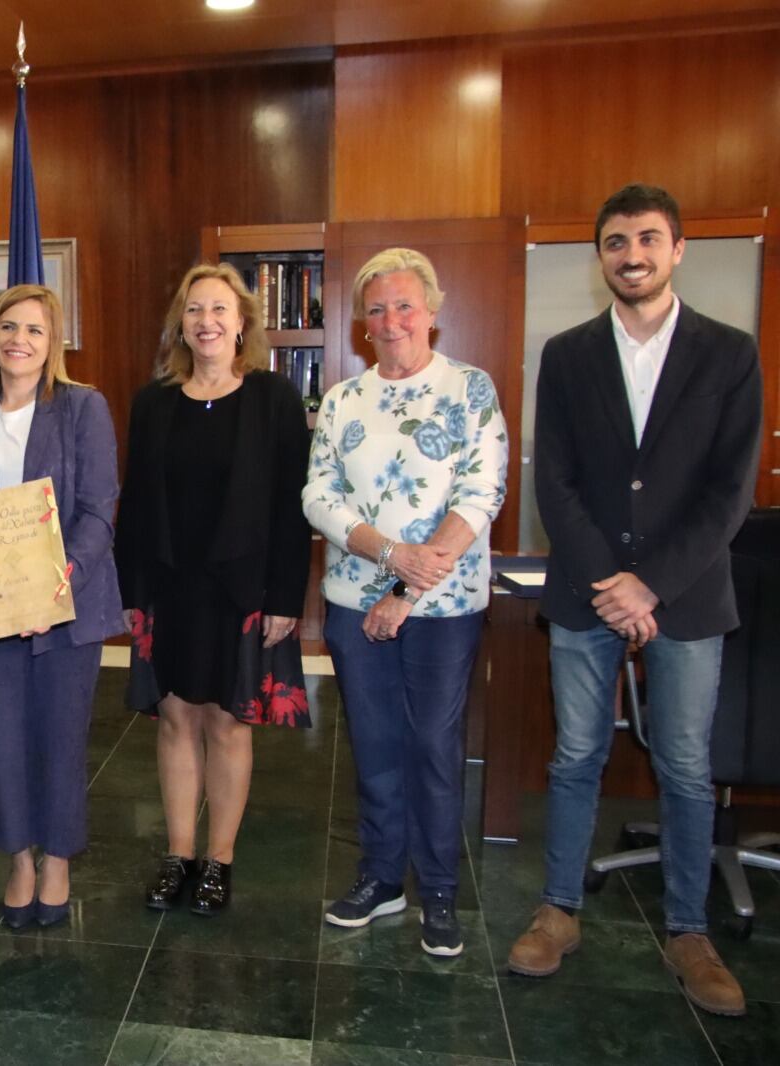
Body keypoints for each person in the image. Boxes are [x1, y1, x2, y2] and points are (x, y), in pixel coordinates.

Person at [509, 184, 762, 1016]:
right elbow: (557, 480)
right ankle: (559, 912)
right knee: (575, 756)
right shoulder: (570, 352)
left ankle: (690, 931)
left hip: (686, 596)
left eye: (648, 240)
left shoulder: (729, 353)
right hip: (586, 593)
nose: (632, 256)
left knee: (687, 767)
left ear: (677, 248)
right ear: (601, 258)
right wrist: (609, 584)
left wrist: (651, 584)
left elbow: (729, 491)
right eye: (616, 243)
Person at [302, 247, 508, 957]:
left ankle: (440, 890)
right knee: (376, 744)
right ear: (362, 323)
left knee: (432, 744)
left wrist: (405, 588)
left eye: (404, 305)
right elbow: (318, 497)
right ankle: (382, 877)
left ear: (433, 310)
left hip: (443, 606)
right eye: (377, 309)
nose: (391, 320)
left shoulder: (470, 390)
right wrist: (390, 561)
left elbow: (480, 493)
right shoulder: (341, 401)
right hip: (354, 600)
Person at [115, 262, 312, 918]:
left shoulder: (274, 400)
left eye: (219, 310)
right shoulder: (153, 403)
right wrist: (129, 588)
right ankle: (178, 856)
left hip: (242, 588)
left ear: (242, 324)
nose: (207, 321)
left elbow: (292, 506)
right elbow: (136, 502)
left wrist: (287, 597)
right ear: (181, 324)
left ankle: (219, 861)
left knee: (228, 723)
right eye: (195, 310)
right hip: (168, 585)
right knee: (174, 718)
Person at [0, 284, 123, 927]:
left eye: (35, 331)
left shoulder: (81, 408)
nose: (20, 340)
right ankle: (18, 859)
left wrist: (56, 584)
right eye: (8, 327)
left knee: (61, 741)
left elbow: (100, 512)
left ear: (53, 343)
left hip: (66, 608)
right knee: (6, 739)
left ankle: (58, 862)